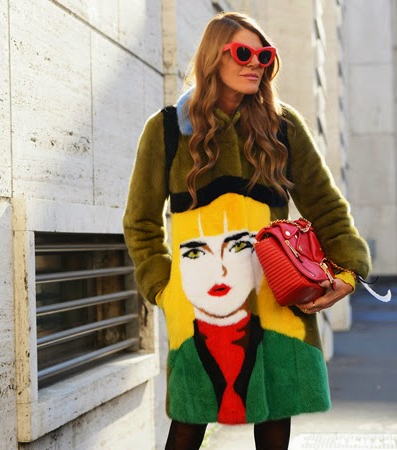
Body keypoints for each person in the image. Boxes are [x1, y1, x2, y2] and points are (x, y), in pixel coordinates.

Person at [122, 11, 371, 450]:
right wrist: (163, 288)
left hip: (277, 296)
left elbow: (327, 207)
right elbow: (140, 221)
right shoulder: (167, 131)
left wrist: (348, 271)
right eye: (243, 53)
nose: (256, 62)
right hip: (200, 306)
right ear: (212, 58)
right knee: (189, 420)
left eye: (264, 55)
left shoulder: (283, 127)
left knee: (275, 415)